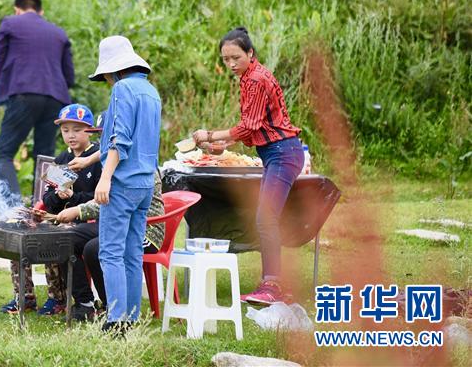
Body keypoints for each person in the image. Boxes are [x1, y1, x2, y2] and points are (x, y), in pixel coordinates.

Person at [192, 27, 303, 305]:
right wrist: (223, 146)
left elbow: (248, 126)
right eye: (225, 59)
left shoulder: (255, 79)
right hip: (276, 153)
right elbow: (257, 129)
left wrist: (211, 135)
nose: (230, 64)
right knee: (266, 218)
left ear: (250, 53)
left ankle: (272, 286)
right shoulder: (249, 76)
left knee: (266, 218)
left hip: (282, 153)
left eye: (235, 57)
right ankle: (275, 284)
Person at [88, 35, 161, 334]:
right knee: (132, 252)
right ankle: (131, 317)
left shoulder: (122, 88)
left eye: (105, 75)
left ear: (114, 70)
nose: (106, 81)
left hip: (121, 182)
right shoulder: (150, 91)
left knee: (110, 252)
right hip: (144, 184)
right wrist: (94, 159)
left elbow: (120, 139)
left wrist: (104, 178)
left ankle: (116, 319)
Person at [0, 104, 101, 316]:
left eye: (77, 129)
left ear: (90, 131)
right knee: (21, 231)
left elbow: (98, 199)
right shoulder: (62, 160)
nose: (71, 135)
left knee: (53, 237)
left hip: (87, 221)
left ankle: (58, 297)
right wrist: (57, 196)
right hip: (59, 216)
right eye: (65, 131)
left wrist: (74, 197)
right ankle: (24, 296)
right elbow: (48, 197)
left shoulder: (97, 158)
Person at [0, 0, 75, 202]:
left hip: (24, 92)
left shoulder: (11, 23)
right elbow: (69, 76)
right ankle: (43, 207)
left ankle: (14, 207)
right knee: (45, 158)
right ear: (41, 11)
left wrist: (1, 89)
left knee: (2, 154)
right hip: (56, 97)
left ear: (17, 9)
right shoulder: (59, 33)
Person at [54, 168, 166, 323]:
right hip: (115, 223)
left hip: (144, 230)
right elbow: (104, 196)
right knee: (66, 239)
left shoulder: (141, 167)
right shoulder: (115, 163)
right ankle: (85, 303)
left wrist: (79, 210)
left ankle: (112, 307)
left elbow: (120, 202)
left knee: (94, 249)